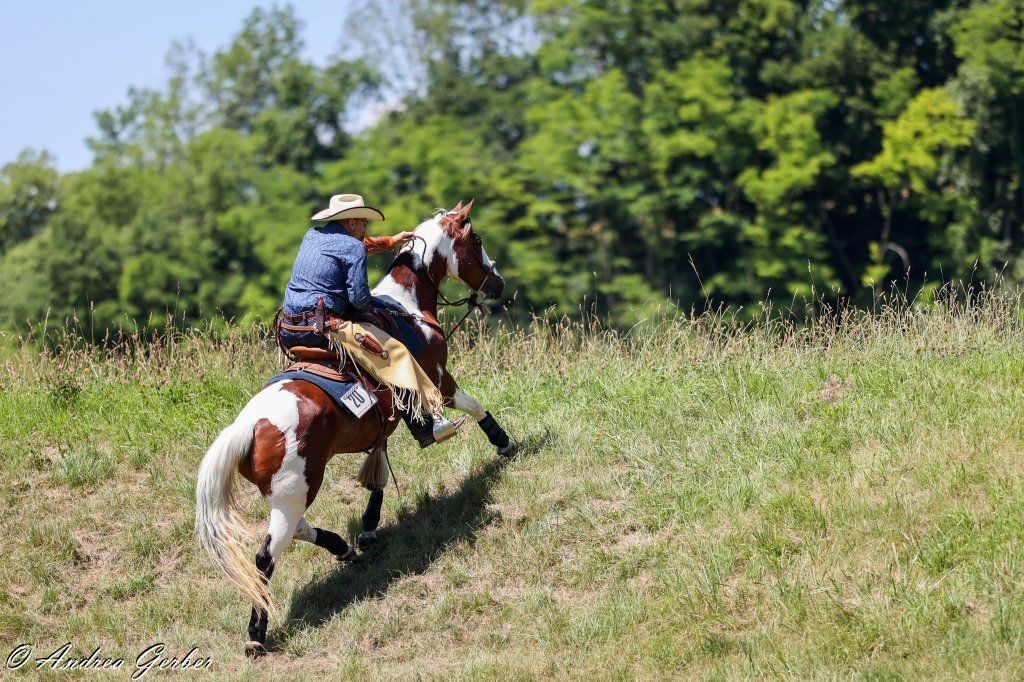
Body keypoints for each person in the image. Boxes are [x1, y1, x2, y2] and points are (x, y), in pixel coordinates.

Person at [278, 193, 463, 447]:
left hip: (288, 328)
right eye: (363, 222)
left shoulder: (313, 235)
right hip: (323, 329)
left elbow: (353, 246)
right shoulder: (352, 247)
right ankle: (427, 425)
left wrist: (390, 241)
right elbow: (358, 298)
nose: (366, 226)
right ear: (352, 222)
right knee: (395, 353)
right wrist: (370, 312)